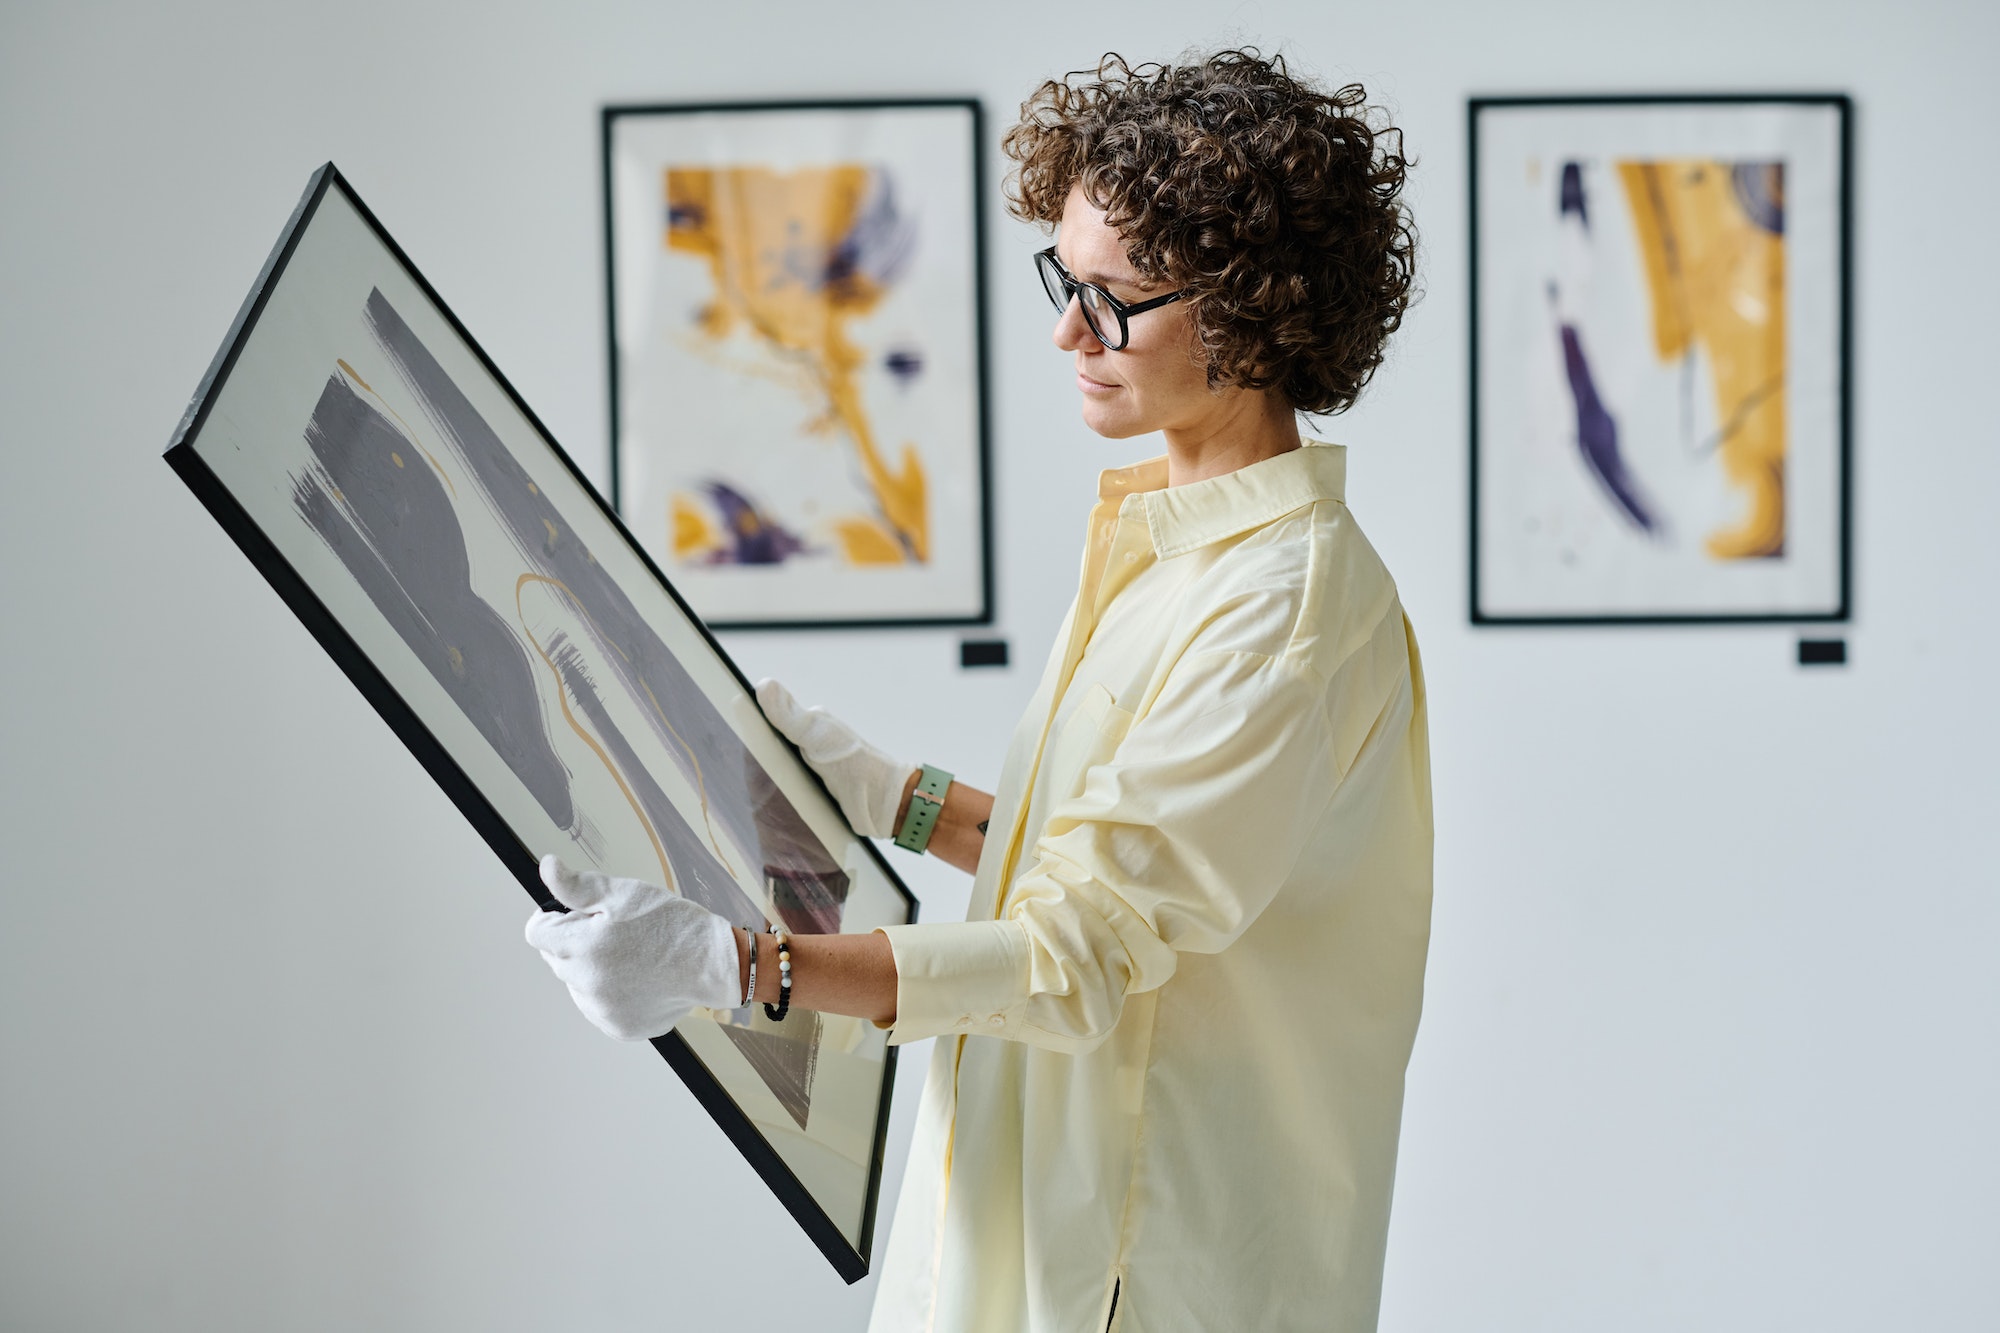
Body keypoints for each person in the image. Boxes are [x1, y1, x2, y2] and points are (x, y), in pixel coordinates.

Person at [527, 49, 1431, 1332]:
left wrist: (736, 966)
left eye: (1112, 300)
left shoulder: (1281, 608)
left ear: (1251, 312)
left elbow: (1074, 954)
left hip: (1140, 1269)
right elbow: (1099, 863)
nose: (1067, 330)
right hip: (1031, 1228)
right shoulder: (1175, 538)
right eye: (1063, 279)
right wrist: (881, 792)